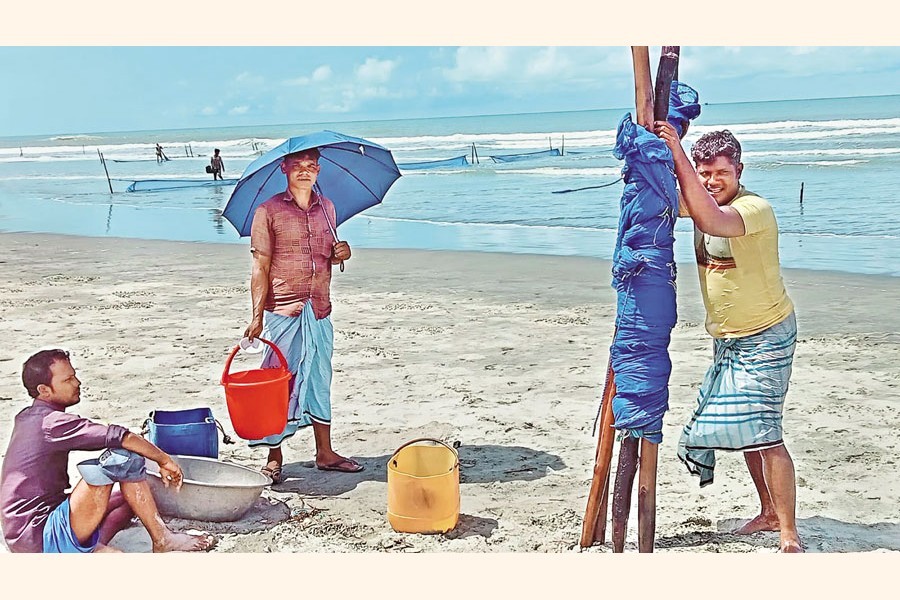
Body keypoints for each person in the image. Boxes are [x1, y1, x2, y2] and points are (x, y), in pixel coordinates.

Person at [653, 124, 803, 553]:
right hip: (729, 340)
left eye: (720, 172)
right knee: (749, 432)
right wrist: (650, 162)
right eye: (704, 173)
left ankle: (789, 532)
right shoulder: (703, 198)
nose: (711, 181)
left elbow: (710, 219)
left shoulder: (754, 209)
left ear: (739, 169)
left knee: (766, 431)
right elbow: (671, 202)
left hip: (767, 334)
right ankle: (769, 511)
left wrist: (676, 151)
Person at [0, 349, 216, 553]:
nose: (77, 383)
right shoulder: (51, 423)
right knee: (124, 459)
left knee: (130, 499)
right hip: (38, 536)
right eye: (67, 380)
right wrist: (164, 460)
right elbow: (122, 437)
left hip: (23, 533)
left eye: (74, 376)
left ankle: (91, 546)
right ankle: (162, 539)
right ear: (44, 390)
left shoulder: (27, 416)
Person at [244, 147, 362, 485]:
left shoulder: (328, 209)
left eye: (311, 166)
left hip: (319, 307)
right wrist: (256, 317)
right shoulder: (267, 212)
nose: (305, 172)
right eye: (298, 166)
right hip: (284, 307)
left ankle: (325, 452)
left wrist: (343, 253)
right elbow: (260, 266)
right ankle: (274, 456)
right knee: (278, 380)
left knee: (319, 376)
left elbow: (329, 257)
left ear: (318, 171)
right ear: (285, 169)